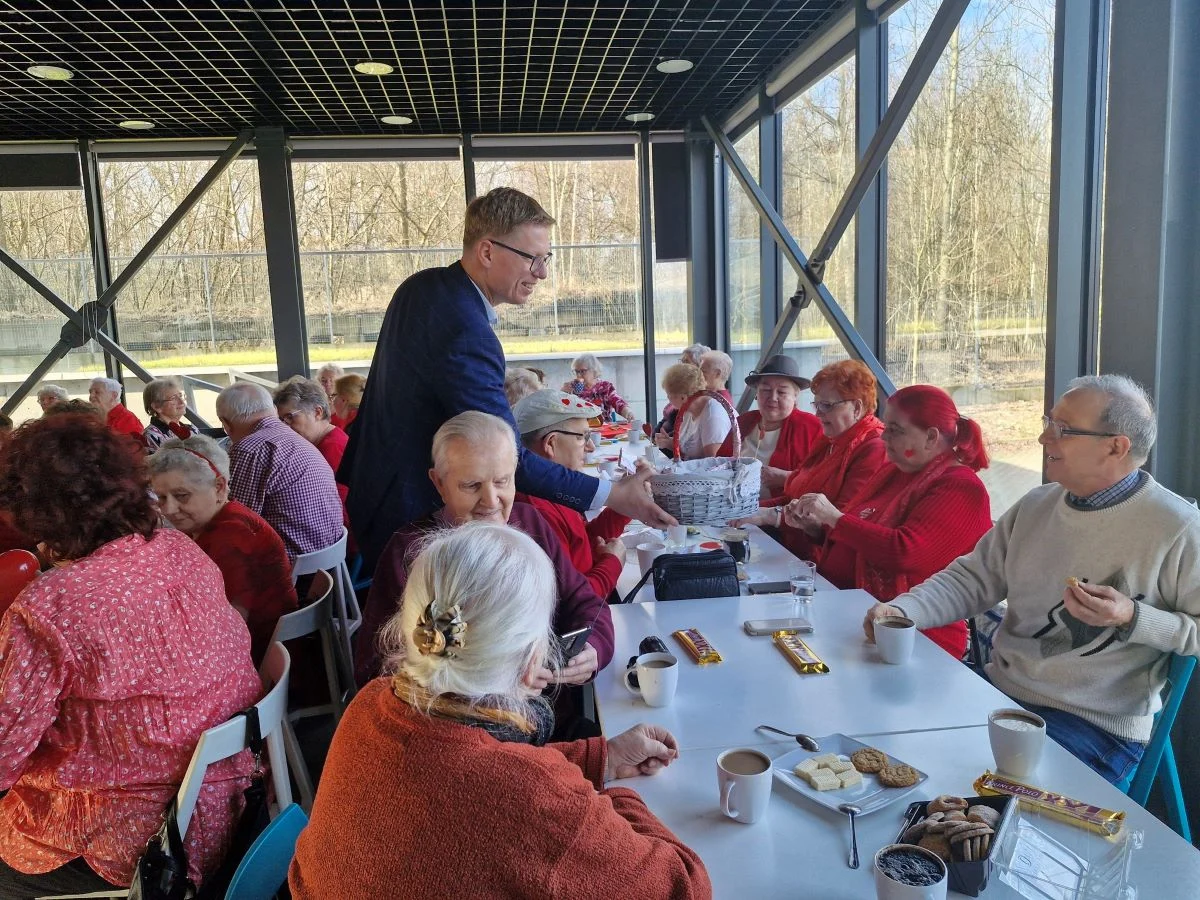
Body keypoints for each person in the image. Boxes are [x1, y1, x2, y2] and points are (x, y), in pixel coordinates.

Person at [290, 524, 710, 900]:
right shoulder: (535, 801)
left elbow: (467, 773)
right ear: (533, 662)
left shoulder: (372, 703)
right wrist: (616, 802)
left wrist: (602, 759)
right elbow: (683, 885)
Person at [863, 375, 1200, 783]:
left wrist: (1132, 616)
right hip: (1000, 691)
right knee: (886, 749)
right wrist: (903, 610)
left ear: (1116, 446)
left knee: (976, 814)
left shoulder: (1176, 526)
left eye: (1062, 429)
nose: (1043, 438)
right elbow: (972, 578)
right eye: (1048, 422)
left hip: (1093, 723)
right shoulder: (1038, 504)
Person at [340, 186, 672, 570]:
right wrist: (612, 494)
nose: (542, 273)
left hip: (375, 491)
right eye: (533, 259)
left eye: (546, 258)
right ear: (487, 251)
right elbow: (507, 457)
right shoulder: (466, 331)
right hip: (413, 516)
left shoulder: (423, 286)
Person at [0, 413, 261, 894]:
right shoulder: (178, 548)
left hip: (135, 845)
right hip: (223, 804)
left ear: (36, 512)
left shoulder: (51, 605)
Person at [358, 412, 614, 701]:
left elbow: (584, 601)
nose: (491, 502)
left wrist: (594, 646)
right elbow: (374, 668)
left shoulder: (530, 523)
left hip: (546, 709)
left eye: (502, 482)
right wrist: (498, 684)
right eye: (472, 486)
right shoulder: (408, 551)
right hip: (452, 728)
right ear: (439, 483)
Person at [792, 386, 990, 658]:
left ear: (931, 437)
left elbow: (905, 552)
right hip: (852, 618)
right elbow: (857, 534)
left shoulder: (960, 488)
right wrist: (816, 529)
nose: (884, 436)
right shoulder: (895, 472)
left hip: (912, 638)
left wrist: (834, 518)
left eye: (895, 430)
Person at [148, 435, 298, 665]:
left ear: (219, 486)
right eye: (161, 497)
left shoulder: (232, 537)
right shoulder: (223, 518)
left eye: (181, 496)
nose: (168, 509)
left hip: (257, 655)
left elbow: (232, 625)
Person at [733, 360, 886, 559]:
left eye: (827, 405)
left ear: (857, 407)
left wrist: (771, 516)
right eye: (817, 404)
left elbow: (842, 520)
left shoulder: (873, 448)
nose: (818, 413)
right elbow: (795, 494)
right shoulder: (830, 440)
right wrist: (754, 510)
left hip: (827, 565)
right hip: (795, 550)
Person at [514, 390, 631, 599]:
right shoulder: (535, 512)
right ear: (551, 443)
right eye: (583, 437)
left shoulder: (557, 492)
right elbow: (573, 601)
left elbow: (583, 541)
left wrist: (625, 507)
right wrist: (612, 563)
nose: (590, 446)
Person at [216, 383, 342, 560]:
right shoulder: (297, 438)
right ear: (273, 409)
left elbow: (237, 523)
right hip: (328, 560)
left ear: (227, 424)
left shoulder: (249, 448)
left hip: (293, 571)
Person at [717, 354, 821, 499]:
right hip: (730, 508)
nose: (772, 397)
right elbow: (718, 465)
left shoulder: (811, 427)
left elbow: (823, 480)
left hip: (780, 515)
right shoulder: (743, 422)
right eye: (765, 390)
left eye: (782, 392)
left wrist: (786, 478)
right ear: (756, 394)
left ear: (795, 396)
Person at [273, 376, 352, 537]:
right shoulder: (322, 441)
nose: (285, 426)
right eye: (281, 420)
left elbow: (340, 512)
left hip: (339, 543)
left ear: (317, 412)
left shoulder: (333, 448)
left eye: (290, 417)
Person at [655, 363, 730, 460]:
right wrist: (669, 443)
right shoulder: (688, 410)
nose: (668, 399)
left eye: (669, 395)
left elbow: (713, 464)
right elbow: (689, 449)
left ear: (683, 397)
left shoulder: (713, 417)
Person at [562, 353, 634, 422]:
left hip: (603, 428)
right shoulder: (572, 388)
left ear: (594, 370)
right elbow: (561, 410)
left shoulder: (605, 387)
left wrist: (627, 412)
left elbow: (617, 402)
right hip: (580, 429)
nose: (578, 375)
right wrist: (562, 393)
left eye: (582, 371)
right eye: (576, 371)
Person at [142, 376, 198, 452]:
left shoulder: (192, 430)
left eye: (181, 395)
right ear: (157, 406)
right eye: (173, 398)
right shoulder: (151, 435)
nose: (181, 401)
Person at [89, 376, 144, 441]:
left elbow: (134, 448)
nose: (91, 396)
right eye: (90, 392)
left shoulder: (128, 420)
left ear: (114, 395)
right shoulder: (91, 416)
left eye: (97, 392)